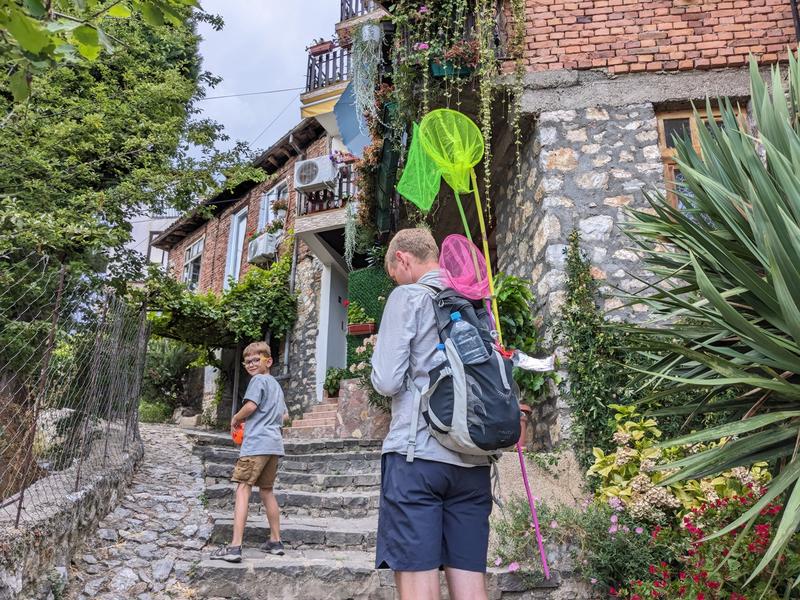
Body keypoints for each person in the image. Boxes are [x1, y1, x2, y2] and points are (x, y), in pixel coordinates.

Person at [371, 228, 492, 600]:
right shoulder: (474, 300)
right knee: (471, 586)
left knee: (418, 584)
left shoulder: (408, 296)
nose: (397, 280)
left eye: (395, 273)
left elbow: (387, 381)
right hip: (473, 461)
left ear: (403, 259)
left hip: (418, 457)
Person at [210, 341, 287, 563]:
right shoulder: (277, 386)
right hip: (274, 445)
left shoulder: (258, 381)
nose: (252, 364)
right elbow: (285, 416)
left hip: (256, 444)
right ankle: (275, 541)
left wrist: (236, 418)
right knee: (267, 491)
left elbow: (251, 406)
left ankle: (235, 547)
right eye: (248, 362)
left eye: (256, 360)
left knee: (243, 489)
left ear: (268, 361)